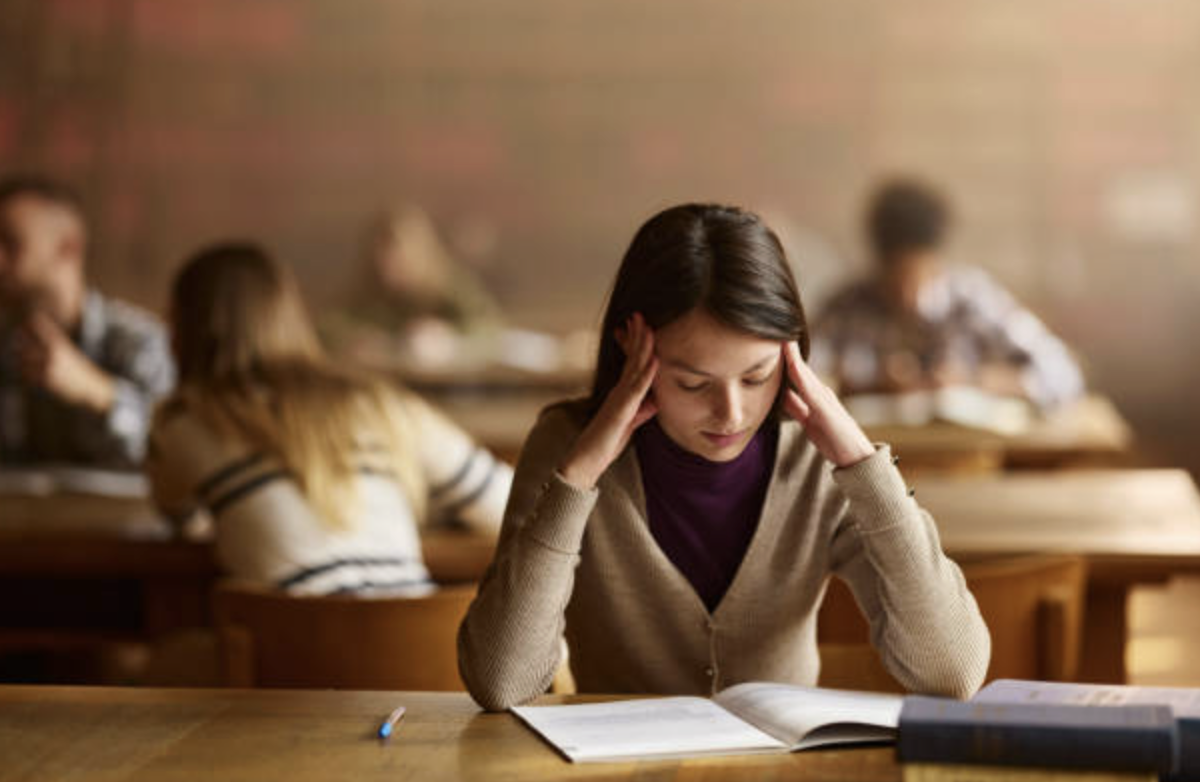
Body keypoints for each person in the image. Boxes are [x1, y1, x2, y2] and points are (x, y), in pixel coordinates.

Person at [457, 203, 990, 711]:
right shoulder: (566, 447)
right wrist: (577, 479)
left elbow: (952, 672)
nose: (731, 413)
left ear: (794, 353)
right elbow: (501, 681)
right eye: (693, 383)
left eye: (757, 377)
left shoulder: (815, 458)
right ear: (629, 347)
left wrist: (863, 468)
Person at [146, 243, 512, 595]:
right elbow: (511, 504)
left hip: (293, 653)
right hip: (419, 649)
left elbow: (185, 519)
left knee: (176, 654)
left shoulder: (182, 422)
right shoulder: (375, 403)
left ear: (182, 331)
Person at [811, 177, 1084, 410]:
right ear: (879, 264)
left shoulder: (974, 299)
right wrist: (867, 386)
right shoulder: (846, 305)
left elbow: (1063, 375)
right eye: (895, 280)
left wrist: (970, 382)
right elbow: (801, 379)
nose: (908, 296)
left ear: (937, 260)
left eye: (916, 276)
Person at [0, 176, 174, 467]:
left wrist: (97, 391)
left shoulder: (140, 342)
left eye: (11, 243)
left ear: (69, 248)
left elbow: (179, 455)